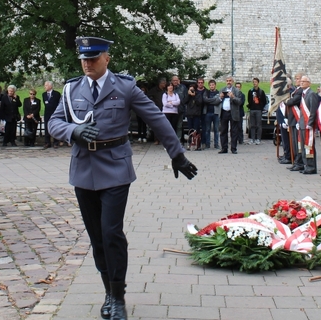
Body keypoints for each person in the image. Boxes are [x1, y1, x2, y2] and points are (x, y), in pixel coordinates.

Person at [47, 36, 197, 320]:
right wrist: (72, 132)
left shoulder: (125, 87)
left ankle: (118, 299)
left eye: (93, 58)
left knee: (111, 232)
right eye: (83, 59)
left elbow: (156, 119)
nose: (87, 63)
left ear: (107, 58)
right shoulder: (71, 89)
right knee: (96, 237)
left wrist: (176, 154)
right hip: (83, 169)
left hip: (115, 168)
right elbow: (54, 121)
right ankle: (108, 290)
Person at [286, 76, 316, 173]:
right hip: (302, 123)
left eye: (304, 81)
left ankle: (311, 167)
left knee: (308, 146)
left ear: (309, 83)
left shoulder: (311, 94)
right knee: (302, 147)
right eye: (301, 81)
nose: (302, 83)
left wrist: (310, 123)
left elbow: (313, 111)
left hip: (308, 125)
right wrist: (299, 122)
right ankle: (305, 165)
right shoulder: (303, 94)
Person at [218, 76, 243, 154]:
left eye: (230, 81)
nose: (228, 82)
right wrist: (220, 97)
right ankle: (224, 148)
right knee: (223, 131)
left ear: (232, 82)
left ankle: (233, 148)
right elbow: (217, 100)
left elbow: (240, 102)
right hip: (224, 112)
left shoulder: (236, 91)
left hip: (233, 112)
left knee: (234, 131)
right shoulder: (222, 90)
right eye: (227, 80)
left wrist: (233, 97)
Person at [184, 78, 205, 147]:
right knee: (190, 130)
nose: (192, 91)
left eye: (193, 89)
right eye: (190, 89)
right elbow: (184, 101)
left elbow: (200, 102)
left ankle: (197, 143)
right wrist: (188, 95)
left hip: (196, 114)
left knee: (196, 129)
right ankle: (190, 142)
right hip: (190, 114)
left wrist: (194, 95)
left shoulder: (198, 95)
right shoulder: (188, 96)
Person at [247, 77, 267, 145]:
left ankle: (258, 139)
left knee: (258, 125)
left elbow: (264, 101)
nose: (254, 83)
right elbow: (249, 99)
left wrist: (261, 107)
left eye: (255, 82)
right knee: (252, 125)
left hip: (258, 109)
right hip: (252, 109)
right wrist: (250, 106)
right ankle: (252, 139)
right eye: (253, 82)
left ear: (258, 83)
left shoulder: (261, 91)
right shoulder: (250, 91)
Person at [202, 79, 221, 150]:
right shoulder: (206, 92)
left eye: (213, 85)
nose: (212, 86)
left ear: (215, 85)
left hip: (215, 113)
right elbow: (205, 100)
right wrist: (214, 99)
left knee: (216, 130)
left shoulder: (218, 92)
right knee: (207, 129)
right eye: (210, 85)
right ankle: (207, 144)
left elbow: (218, 101)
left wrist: (210, 100)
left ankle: (216, 144)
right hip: (207, 113)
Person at [42, 81, 62, 149]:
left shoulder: (56, 94)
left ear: (50, 86)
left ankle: (56, 142)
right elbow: (46, 103)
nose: (45, 87)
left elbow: (59, 103)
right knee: (47, 128)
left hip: (55, 113)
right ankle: (47, 142)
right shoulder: (44, 94)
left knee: (55, 128)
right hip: (47, 113)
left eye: (46, 85)